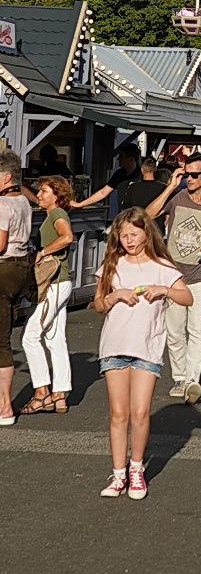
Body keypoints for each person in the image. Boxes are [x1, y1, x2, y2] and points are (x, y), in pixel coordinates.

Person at [94, 207, 193, 500]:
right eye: (123, 235)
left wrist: (163, 289)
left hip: (147, 346)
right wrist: (114, 296)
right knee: (118, 413)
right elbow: (99, 303)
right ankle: (118, 473)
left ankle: (136, 469)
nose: (129, 240)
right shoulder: (113, 263)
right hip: (114, 345)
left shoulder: (161, 265)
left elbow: (187, 297)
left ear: (147, 233)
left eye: (134, 234)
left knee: (139, 412)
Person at [146, 153, 201, 405]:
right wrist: (171, 186)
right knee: (174, 331)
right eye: (186, 174)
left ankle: (193, 380)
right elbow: (148, 214)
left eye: (194, 174)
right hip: (174, 276)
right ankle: (180, 377)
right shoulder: (178, 197)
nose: (190, 178)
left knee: (196, 331)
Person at [22, 173, 76, 413]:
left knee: (30, 336)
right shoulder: (52, 214)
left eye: (44, 191)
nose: (40, 195)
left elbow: (67, 237)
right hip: (60, 282)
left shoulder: (57, 214)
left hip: (54, 283)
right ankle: (60, 394)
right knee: (55, 339)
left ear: (57, 195)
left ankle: (42, 391)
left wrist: (43, 252)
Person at [0, 149, 32, 425]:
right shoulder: (23, 201)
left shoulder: (2, 205)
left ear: (6, 177)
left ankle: (5, 406)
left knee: (1, 341)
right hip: (21, 266)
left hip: (4, 266)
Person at [73, 141, 141, 212]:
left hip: (139, 216)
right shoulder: (120, 174)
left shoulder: (142, 175)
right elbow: (103, 192)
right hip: (124, 215)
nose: (118, 159)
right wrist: (80, 204)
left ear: (131, 159)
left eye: (121, 156)